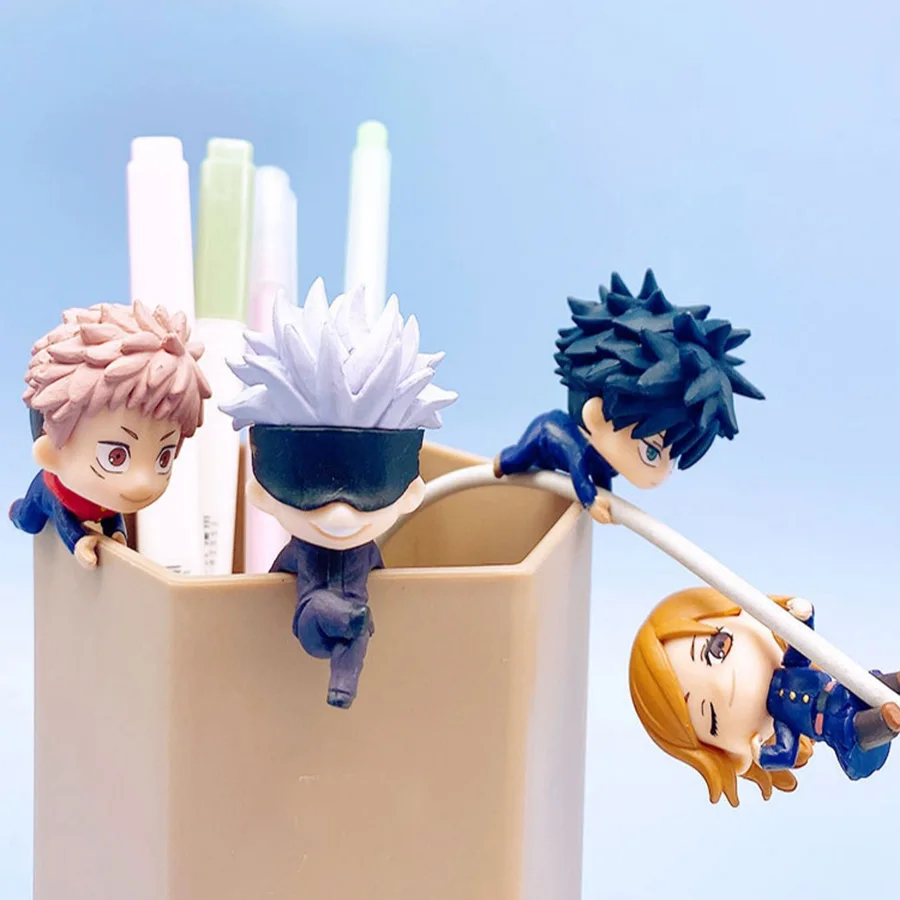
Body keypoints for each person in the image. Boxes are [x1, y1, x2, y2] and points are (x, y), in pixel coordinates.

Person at [220, 278, 457, 709]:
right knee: (323, 614)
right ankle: (346, 625)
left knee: (356, 632)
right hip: (309, 616)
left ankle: (343, 682)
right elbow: (275, 588)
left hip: (357, 624)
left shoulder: (367, 551)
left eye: (370, 486)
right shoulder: (301, 554)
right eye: (309, 487)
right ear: (261, 491)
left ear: (409, 492)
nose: (339, 515)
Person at [494, 270, 764, 523]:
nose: (662, 474)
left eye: (670, 458)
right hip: (543, 437)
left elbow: (601, 478)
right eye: (651, 451)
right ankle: (502, 461)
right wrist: (591, 501)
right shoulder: (572, 444)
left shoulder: (605, 458)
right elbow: (580, 472)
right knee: (515, 461)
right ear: (596, 415)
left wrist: (602, 496)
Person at [629, 586, 900, 806]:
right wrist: (762, 755)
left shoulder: (794, 666)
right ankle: (887, 722)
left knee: (871, 684)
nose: (725, 687)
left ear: (750, 616)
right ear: (734, 756)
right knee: (857, 730)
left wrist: (803, 620)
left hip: (841, 693)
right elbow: (785, 751)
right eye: (712, 717)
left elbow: (801, 644)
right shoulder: (785, 724)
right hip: (835, 728)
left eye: (717, 648)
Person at [10, 301, 211, 568]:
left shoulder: (111, 498)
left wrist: (117, 533)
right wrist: (79, 542)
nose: (143, 482)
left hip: (98, 512)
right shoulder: (60, 492)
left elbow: (112, 515)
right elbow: (65, 520)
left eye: (163, 459)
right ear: (50, 453)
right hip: (44, 497)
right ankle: (15, 511)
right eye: (116, 457)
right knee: (29, 521)